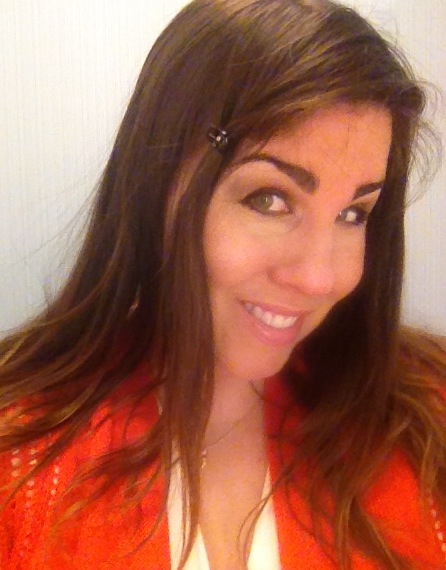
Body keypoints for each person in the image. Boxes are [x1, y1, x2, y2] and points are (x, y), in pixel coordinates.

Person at [1, 0, 445, 568]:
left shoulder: (426, 422)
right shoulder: (19, 465)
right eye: (269, 199)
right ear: (156, 184)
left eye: (353, 214)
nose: (319, 277)